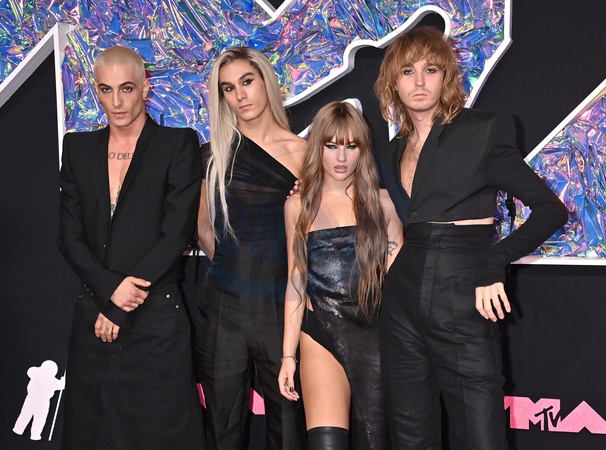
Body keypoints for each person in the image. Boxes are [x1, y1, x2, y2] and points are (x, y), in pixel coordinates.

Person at [373, 26, 569, 449]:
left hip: (463, 289)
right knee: (409, 435)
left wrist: (492, 262)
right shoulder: (391, 150)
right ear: (393, 82)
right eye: (407, 71)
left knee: (480, 435)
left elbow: (550, 209)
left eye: (430, 70)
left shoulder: (482, 129)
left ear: (446, 76)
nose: (419, 81)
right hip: (402, 297)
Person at [57, 46, 203, 449]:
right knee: (92, 435)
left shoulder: (177, 144)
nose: (117, 101)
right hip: (94, 318)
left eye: (127, 88)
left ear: (145, 87)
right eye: (106, 90)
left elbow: (176, 234)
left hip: (156, 317)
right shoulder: (78, 148)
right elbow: (68, 236)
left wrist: (120, 304)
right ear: (96, 91)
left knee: (162, 434)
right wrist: (109, 293)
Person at [195, 46, 307, 450]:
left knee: (289, 425)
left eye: (247, 81)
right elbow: (203, 230)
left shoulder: (306, 154)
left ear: (266, 82)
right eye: (228, 88)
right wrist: (237, 271)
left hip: (283, 307)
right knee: (221, 427)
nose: (240, 95)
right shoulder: (213, 155)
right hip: (223, 305)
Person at [278, 101, 403, 449]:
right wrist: (287, 356)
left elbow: (399, 281)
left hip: (376, 332)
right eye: (331, 146)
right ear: (317, 147)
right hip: (319, 333)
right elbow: (295, 281)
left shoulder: (383, 203)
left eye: (351, 146)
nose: (341, 157)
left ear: (363, 150)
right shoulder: (298, 205)